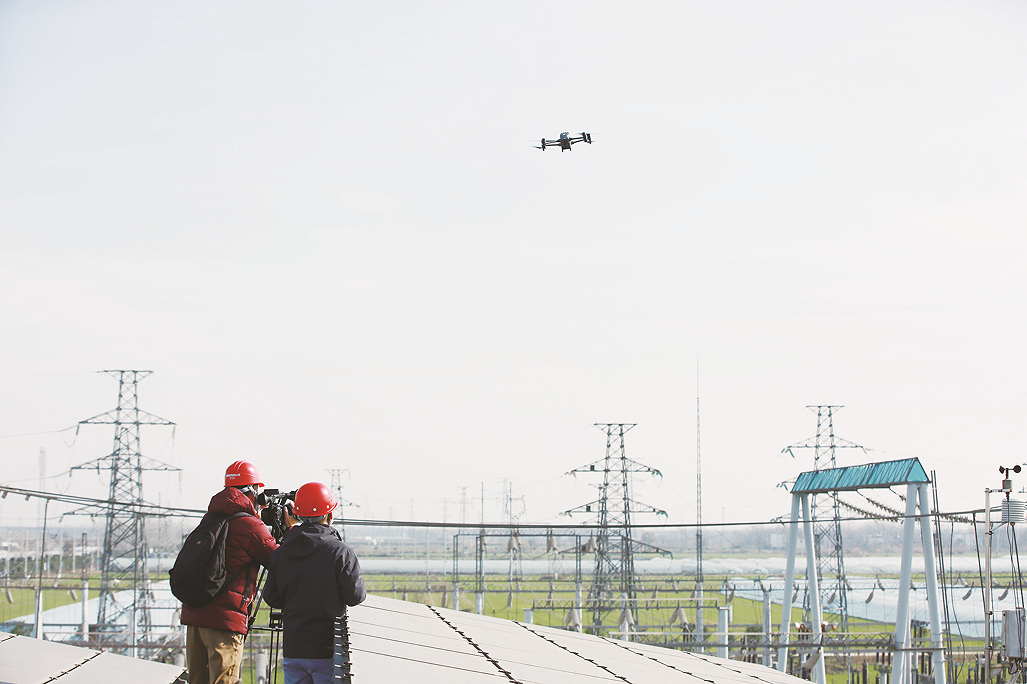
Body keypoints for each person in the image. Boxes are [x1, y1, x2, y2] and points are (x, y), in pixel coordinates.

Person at [181, 460, 279, 684]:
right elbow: (279, 561)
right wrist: (287, 527)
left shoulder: (210, 518)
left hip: (194, 616)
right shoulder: (251, 526)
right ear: (253, 493)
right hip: (224, 624)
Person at [262, 482, 366, 684]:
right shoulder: (339, 552)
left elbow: (272, 598)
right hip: (327, 650)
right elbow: (354, 596)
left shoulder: (281, 552)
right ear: (330, 515)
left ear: (297, 515)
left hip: (294, 649)